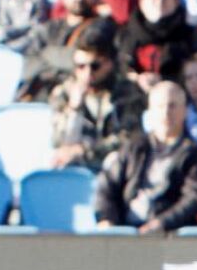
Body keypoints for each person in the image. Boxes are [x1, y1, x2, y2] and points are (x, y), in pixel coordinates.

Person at [95, 81, 197, 234]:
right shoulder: (133, 148)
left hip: (169, 236)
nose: (166, 112)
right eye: (160, 106)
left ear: (185, 111)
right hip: (127, 231)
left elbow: (195, 198)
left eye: (172, 106)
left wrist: (162, 223)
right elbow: (107, 185)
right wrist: (107, 218)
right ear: (150, 111)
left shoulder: (196, 155)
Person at [21, 0, 117, 101]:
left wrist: (46, 53)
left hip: (74, 98)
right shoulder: (49, 28)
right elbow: (26, 67)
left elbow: (83, 56)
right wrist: (64, 58)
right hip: (39, 97)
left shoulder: (102, 26)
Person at [49, 39, 145, 171]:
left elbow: (129, 138)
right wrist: (74, 108)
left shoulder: (127, 92)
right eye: (81, 66)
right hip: (74, 166)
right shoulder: (64, 93)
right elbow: (58, 141)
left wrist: (84, 151)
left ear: (109, 64)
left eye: (95, 66)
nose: (87, 73)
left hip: (113, 165)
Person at [116, 0, 197, 93]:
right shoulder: (128, 34)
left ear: (176, 1)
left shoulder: (190, 34)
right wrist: (138, 78)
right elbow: (123, 68)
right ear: (141, 3)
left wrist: (165, 79)